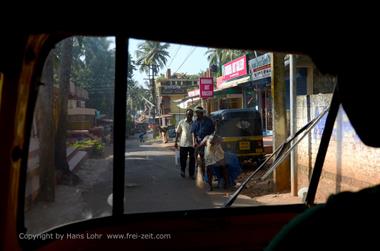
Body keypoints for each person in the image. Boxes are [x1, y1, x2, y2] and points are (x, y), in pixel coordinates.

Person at [191, 106, 215, 179]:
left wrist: (210, 139)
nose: (197, 114)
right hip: (198, 143)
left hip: (208, 143)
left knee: (208, 161)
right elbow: (193, 133)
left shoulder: (208, 121)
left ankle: (210, 176)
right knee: (200, 160)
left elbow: (213, 131)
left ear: (201, 113)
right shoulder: (195, 122)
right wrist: (194, 142)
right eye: (196, 112)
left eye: (198, 112)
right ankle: (203, 175)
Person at [174, 109, 195, 179]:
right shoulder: (181, 122)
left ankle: (191, 174)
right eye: (188, 114)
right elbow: (178, 132)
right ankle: (182, 171)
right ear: (186, 115)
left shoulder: (194, 123)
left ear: (192, 115)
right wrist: (175, 142)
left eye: (191, 114)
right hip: (183, 144)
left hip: (192, 144)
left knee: (192, 160)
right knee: (183, 159)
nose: (189, 116)